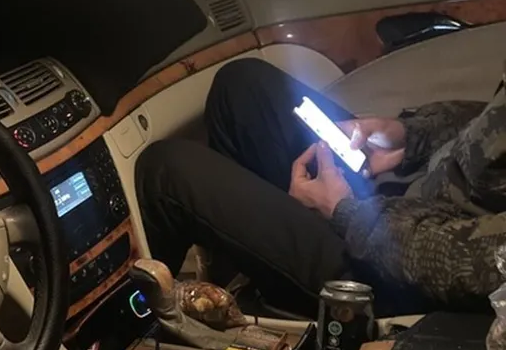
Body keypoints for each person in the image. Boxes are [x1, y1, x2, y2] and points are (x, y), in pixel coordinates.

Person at [136, 58, 506, 316]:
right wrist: (408, 136)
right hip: (411, 201)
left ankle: (127, 337)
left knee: (165, 172)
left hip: (405, 277)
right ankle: (243, 282)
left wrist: (345, 212)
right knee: (242, 86)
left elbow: (470, 267)